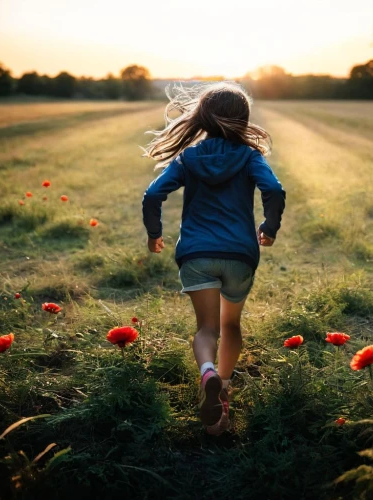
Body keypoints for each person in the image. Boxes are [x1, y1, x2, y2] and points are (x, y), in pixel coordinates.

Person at [142, 81, 285, 435]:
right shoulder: (251, 156)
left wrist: (154, 233)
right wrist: (269, 227)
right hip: (240, 254)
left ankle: (206, 371)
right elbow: (274, 190)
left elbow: (153, 194)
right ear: (243, 118)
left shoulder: (188, 158)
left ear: (202, 118)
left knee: (206, 329)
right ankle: (221, 388)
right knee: (230, 325)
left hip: (196, 253)